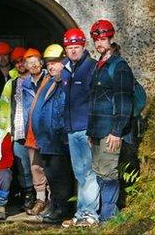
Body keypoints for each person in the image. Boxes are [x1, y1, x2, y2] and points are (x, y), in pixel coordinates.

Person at [86, 19, 134, 222]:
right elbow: (94, 101)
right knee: (99, 171)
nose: (99, 43)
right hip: (97, 130)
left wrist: (116, 131)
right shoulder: (99, 65)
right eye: (96, 39)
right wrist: (90, 131)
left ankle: (108, 218)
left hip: (110, 132)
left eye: (103, 39)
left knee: (108, 174)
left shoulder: (119, 66)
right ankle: (106, 214)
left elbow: (124, 101)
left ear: (110, 38)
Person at [24, 44, 74, 224]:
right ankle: (55, 205)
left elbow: (62, 110)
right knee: (52, 176)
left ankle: (62, 208)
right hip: (46, 139)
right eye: (49, 63)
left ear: (64, 61)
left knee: (60, 177)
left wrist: (60, 134)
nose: (51, 66)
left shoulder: (65, 81)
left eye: (55, 62)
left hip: (57, 139)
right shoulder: (51, 80)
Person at [59, 28, 100, 228]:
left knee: (89, 172)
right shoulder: (67, 70)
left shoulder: (91, 68)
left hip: (86, 129)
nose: (73, 51)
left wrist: (93, 129)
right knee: (79, 173)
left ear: (83, 46)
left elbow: (95, 101)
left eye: (76, 47)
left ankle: (90, 214)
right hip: (72, 129)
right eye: (69, 48)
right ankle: (81, 213)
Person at [0, 46, 36, 211]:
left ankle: (42, 198)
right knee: (23, 168)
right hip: (17, 132)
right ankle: (28, 196)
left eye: (22, 61)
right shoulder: (10, 84)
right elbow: (4, 109)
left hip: (34, 133)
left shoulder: (37, 81)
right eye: (16, 62)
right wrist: (6, 131)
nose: (20, 64)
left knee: (38, 167)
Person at [21, 48, 50, 216]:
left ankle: (53, 200)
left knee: (52, 167)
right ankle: (40, 199)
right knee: (36, 167)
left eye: (35, 62)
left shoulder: (51, 80)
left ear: (41, 63)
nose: (33, 65)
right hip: (32, 132)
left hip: (49, 131)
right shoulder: (24, 84)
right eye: (29, 63)